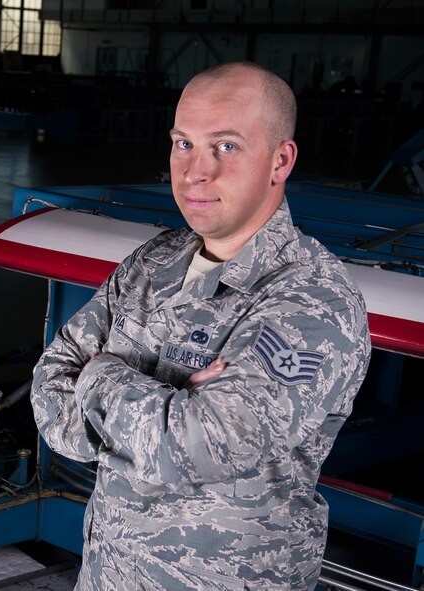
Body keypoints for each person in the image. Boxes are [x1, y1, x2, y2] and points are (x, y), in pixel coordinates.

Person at [31, 62, 371, 590]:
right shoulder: (153, 262)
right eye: (183, 143)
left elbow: (199, 447)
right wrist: (167, 407)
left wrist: (100, 375)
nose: (195, 171)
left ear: (280, 160)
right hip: (109, 571)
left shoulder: (311, 300)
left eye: (226, 146)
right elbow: (49, 389)